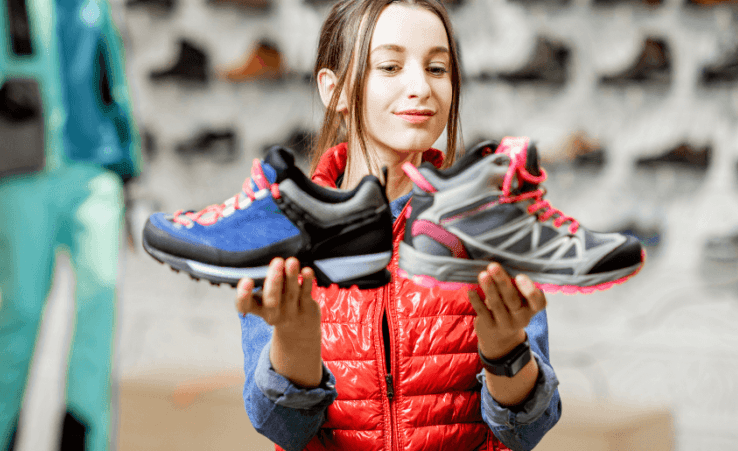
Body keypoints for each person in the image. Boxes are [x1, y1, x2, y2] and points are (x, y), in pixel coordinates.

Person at [234, 0, 561, 449]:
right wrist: (296, 340)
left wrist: (505, 349)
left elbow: (528, 430)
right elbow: (281, 428)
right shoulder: (283, 236)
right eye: (390, 66)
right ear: (336, 89)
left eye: (438, 68)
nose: (421, 87)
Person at [0, 0, 142, 448]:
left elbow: (113, 77)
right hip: (23, 173)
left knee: (99, 306)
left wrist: (131, 170)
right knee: (19, 312)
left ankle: (85, 440)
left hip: (97, 173)